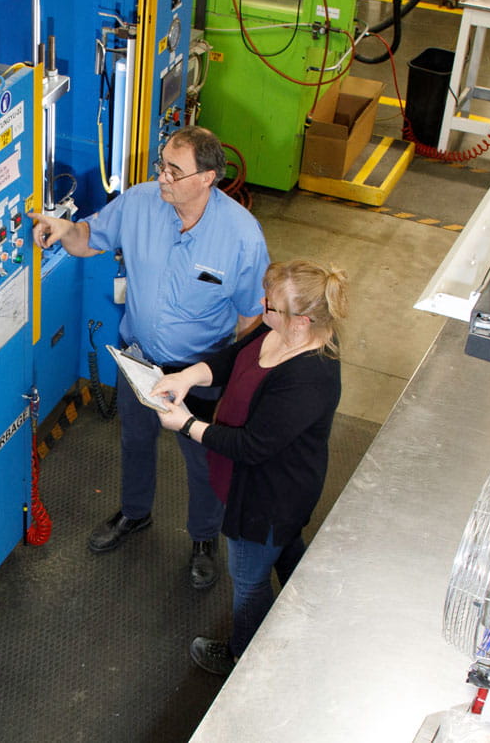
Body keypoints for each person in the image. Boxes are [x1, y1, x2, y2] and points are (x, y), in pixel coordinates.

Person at [30, 126, 267, 589]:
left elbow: (251, 319)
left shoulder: (241, 237)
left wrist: (227, 381)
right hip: (139, 359)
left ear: (208, 178)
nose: (162, 177)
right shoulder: (139, 203)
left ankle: (202, 540)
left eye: (174, 171)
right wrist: (63, 231)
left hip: (200, 371)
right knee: (135, 442)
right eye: (162, 165)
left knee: (202, 459)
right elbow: (89, 238)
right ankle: (135, 513)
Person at [148, 260, 347, 675]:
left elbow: (254, 446)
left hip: (265, 499)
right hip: (250, 481)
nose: (262, 306)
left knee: (250, 581)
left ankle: (246, 658)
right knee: (287, 553)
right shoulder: (276, 329)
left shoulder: (311, 376)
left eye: (271, 305)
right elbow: (232, 357)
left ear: (301, 321)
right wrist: (187, 378)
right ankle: (308, 620)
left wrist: (186, 424)